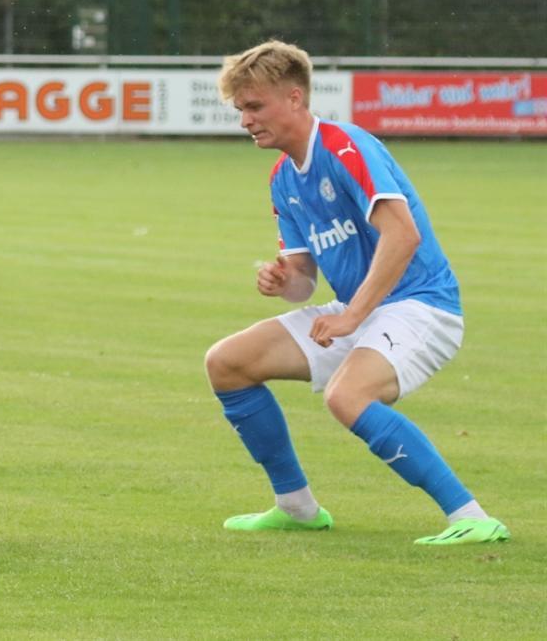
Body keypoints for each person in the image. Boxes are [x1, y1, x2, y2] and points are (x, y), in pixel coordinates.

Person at [204, 39, 509, 545]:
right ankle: (296, 507)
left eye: (255, 106)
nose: (245, 121)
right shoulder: (283, 178)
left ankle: (471, 516)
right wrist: (282, 282)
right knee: (227, 363)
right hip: (362, 309)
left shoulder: (346, 147)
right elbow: (302, 281)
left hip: (422, 306)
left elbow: (403, 235)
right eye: (240, 110)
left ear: (295, 98)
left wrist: (351, 317)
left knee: (348, 395)